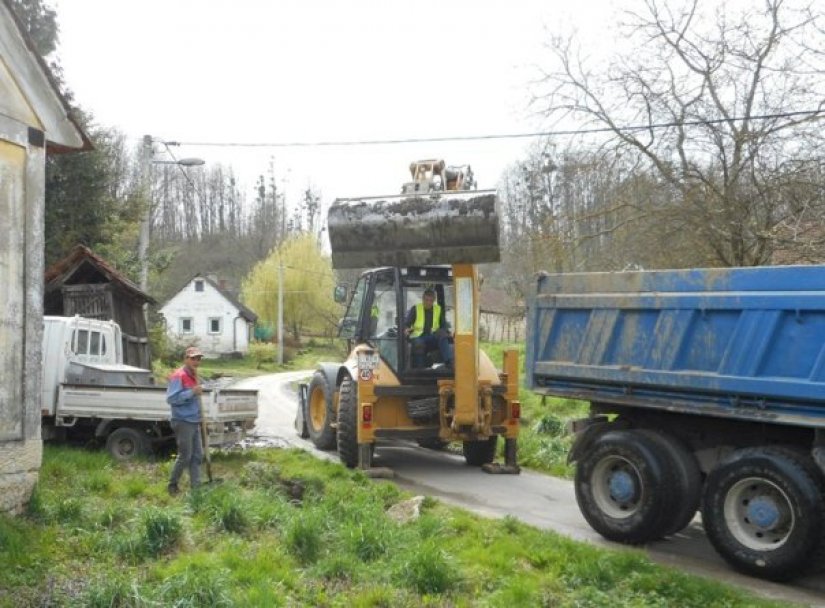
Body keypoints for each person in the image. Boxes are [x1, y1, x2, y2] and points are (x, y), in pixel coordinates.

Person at [166, 346, 204, 495]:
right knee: (185, 456)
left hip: (194, 421)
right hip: (182, 421)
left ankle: (196, 487)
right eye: (193, 358)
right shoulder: (178, 376)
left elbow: (196, 400)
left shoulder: (195, 375)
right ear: (186, 359)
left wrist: (199, 415)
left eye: (198, 358)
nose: (196, 361)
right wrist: (192, 392)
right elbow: (171, 399)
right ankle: (172, 485)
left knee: (197, 456)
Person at [405, 288, 454, 368]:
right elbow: (407, 323)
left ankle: (448, 362)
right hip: (418, 337)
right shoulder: (415, 308)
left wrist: (447, 332)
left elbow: (443, 325)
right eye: (426, 300)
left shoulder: (438, 309)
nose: (428, 302)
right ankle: (419, 369)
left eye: (430, 300)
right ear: (423, 299)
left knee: (442, 334)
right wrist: (405, 329)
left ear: (434, 300)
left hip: (432, 337)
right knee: (418, 343)